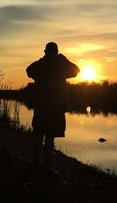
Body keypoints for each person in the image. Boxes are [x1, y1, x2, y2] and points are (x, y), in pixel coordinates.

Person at [26, 42, 79, 175]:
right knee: (50, 136)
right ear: (56, 52)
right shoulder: (61, 65)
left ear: (45, 51)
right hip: (56, 107)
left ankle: (35, 162)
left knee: (38, 134)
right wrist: (64, 59)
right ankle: (47, 167)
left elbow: (29, 70)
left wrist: (43, 60)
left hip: (41, 106)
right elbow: (76, 70)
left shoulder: (40, 65)